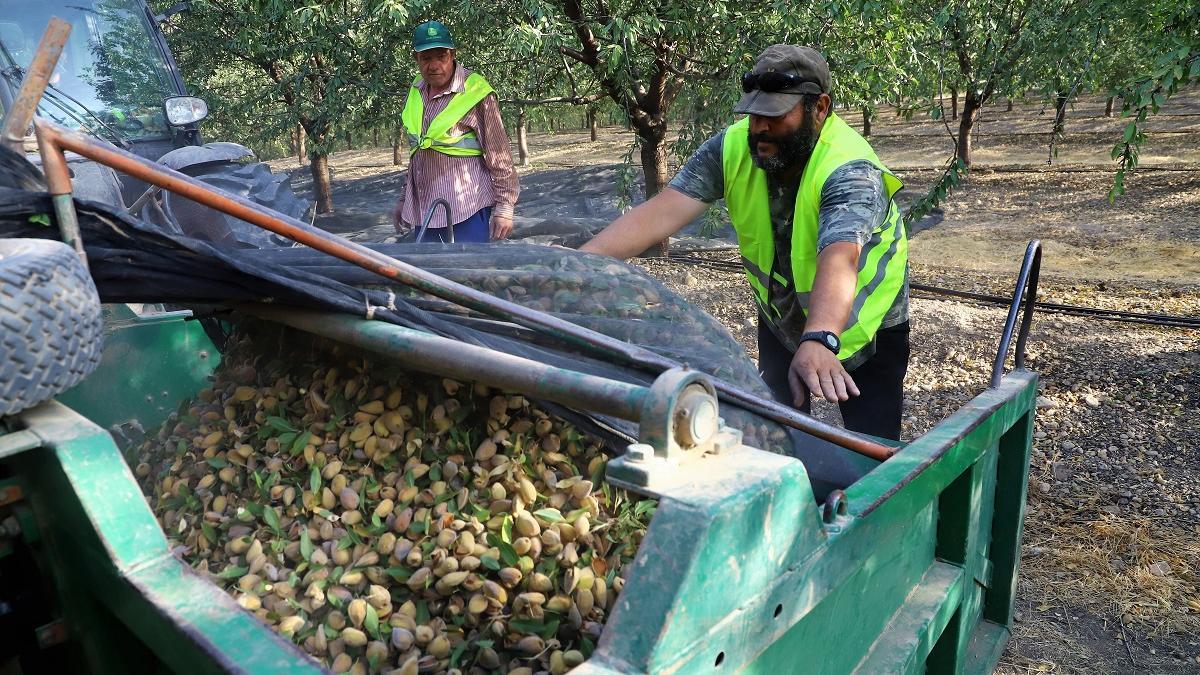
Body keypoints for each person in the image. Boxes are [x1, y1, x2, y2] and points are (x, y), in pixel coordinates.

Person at [581, 45, 910, 440]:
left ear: (819, 108)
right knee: (774, 427)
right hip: (782, 318)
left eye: (774, 115)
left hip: (866, 329)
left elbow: (842, 256)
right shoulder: (732, 147)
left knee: (870, 444)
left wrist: (820, 337)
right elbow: (663, 211)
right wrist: (577, 263)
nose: (759, 128)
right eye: (754, 114)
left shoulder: (849, 169)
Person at [394, 20, 519, 243]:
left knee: (466, 274)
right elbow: (417, 152)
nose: (433, 66)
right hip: (424, 210)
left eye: (440, 56)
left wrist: (504, 208)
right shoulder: (416, 91)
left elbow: (499, 154)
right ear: (416, 59)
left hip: (466, 210)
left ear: (452, 54)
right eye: (426, 58)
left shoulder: (476, 93)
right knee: (426, 275)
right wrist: (405, 200)